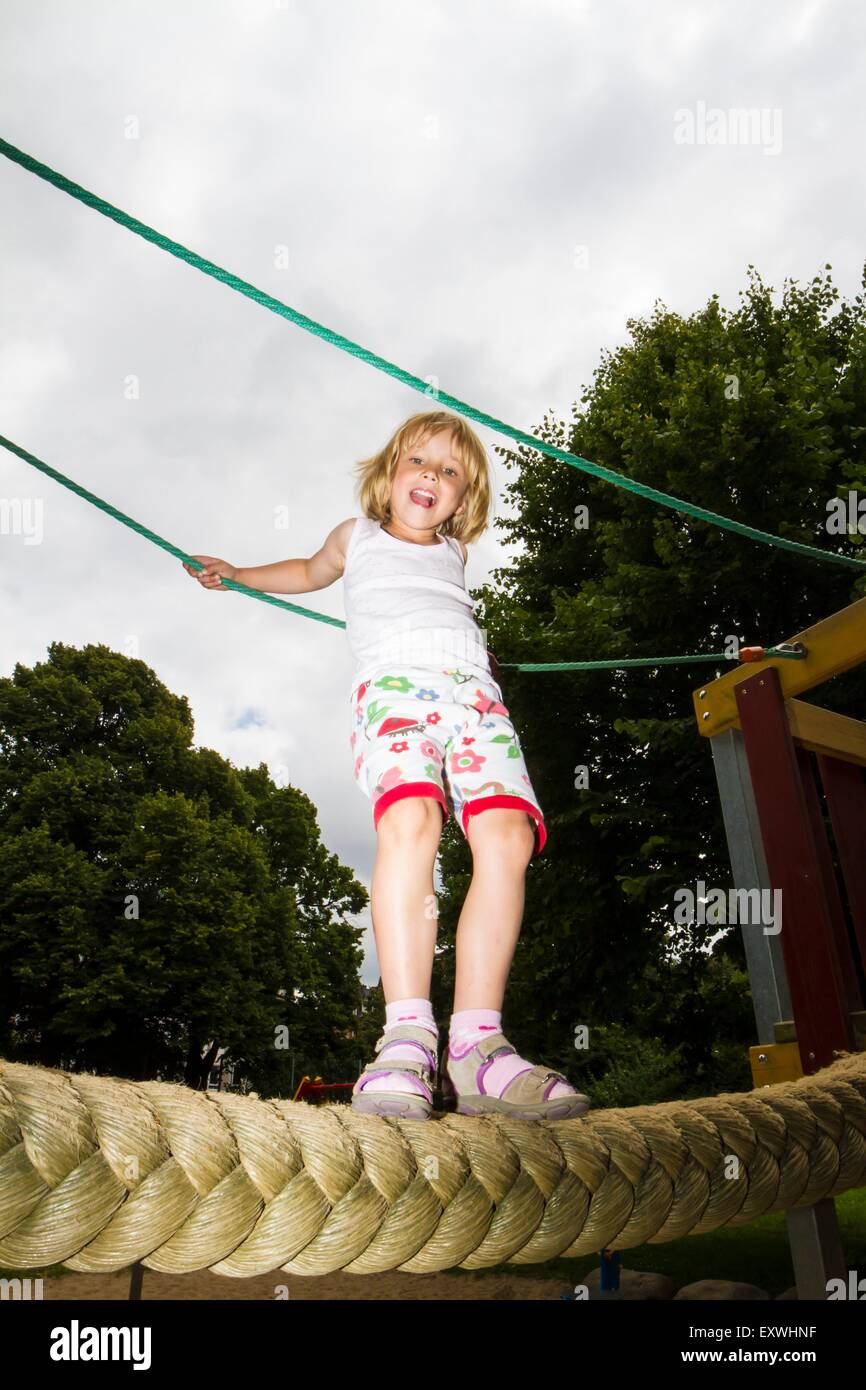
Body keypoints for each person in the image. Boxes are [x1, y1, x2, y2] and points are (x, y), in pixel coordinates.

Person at [183, 409, 589, 1122]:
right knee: (412, 817)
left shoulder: (455, 554)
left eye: (451, 470)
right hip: (397, 691)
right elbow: (309, 571)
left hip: (475, 698)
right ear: (389, 474)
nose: (432, 475)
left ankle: (476, 1046)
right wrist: (239, 573)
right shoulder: (357, 537)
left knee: (508, 838)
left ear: (464, 501)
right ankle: (406, 1035)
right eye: (418, 462)